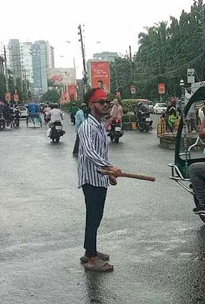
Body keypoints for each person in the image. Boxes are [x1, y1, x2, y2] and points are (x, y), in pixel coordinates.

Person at [77, 87, 122, 272]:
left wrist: (109, 173)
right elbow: (89, 152)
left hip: (100, 177)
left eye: (107, 102)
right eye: (101, 102)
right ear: (91, 104)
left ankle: (90, 251)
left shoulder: (100, 125)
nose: (105, 105)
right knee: (93, 216)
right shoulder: (87, 126)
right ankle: (92, 259)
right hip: (91, 179)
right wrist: (110, 167)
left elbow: (100, 152)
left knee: (96, 217)